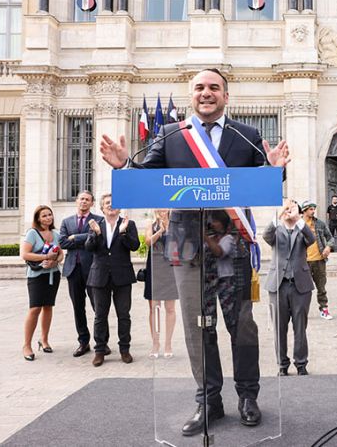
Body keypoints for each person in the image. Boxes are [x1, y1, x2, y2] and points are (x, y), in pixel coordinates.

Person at [99, 68, 290, 434]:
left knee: (242, 327)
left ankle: (248, 396)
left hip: (232, 249)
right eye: (200, 87)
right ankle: (209, 401)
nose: (207, 93)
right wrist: (125, 165)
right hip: (186, 250)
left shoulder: (245, 135)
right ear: (191, 95)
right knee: (196, 329)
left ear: (226, 96)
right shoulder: (171, 135)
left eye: (214, 88)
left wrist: (276, 171)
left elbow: (263, 184)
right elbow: (146, 180)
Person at [85, 193, 140, 367]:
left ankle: (125, 349)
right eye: (107, 203)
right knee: (100, 316)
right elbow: (89, 247)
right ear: (102, 208)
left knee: (124, 315)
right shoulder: (95, 224)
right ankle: (100, 350)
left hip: (122, 276)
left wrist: (123, 233)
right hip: (100, 276)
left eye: (114, 203)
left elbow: (135, 246)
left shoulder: (128, 224)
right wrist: (96, 234)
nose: (111, 205)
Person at [262, 199, 316, 376]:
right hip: (278, 285)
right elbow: (266, 236)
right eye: (286, 207)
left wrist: (298, 219)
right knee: (279, 327)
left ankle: (301, 363)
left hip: (300, 285)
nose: (289, 210)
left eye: (292, 207)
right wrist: (279, 215)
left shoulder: (302, 230)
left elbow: (311, 239)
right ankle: (282, 365)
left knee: (300, 326)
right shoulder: (276, 229)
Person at [59, 190, 103, 357]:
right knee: (78, 308)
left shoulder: (98, 220)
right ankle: (83, 342)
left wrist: (74, 237)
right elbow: (62, 241)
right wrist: (84, 239)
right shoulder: (66, 221)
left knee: (98, 307)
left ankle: (101, 342)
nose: (84, 202)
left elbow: (97, 238)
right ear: (76, 201)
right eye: (81, 199)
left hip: (92, 268)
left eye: (87, 200)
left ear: (92, 203)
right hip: (73, 269)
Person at [20, 205, 64, 361]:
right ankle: (27, 345)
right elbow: (24, 254)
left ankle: (44, 340)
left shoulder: (56, 234)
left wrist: (54, 261)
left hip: (53, 275)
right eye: (44, 215)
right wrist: (45, 258)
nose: (48, 218)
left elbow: (60, 255)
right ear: (38, 218)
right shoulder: (32, 233)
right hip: (36, 276)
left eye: (50, 215)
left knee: (48, 307)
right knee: (35, 308)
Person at [143, 209, 178, 359]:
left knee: (170, 308)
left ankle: (168, 344)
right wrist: (160, 231)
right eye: (159, 206)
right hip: (154, 268)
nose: (162, 209)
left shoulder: (177, 224)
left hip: (171, 268)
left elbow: (180, 243)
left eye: (165, 206)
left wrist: (169, 228)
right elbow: (148, 242)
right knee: (154, 307)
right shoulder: (150, 224)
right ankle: (155, 343)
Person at [301, 200, 335, 320]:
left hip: (319, 260)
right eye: (311, 209)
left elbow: (330, 237)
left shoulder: (319, 224)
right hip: (303, 262)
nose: (313, 211)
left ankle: (324, 309)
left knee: (321, 288)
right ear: (304, 210)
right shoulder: (298, 224)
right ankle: (301, 311)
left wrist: (328, 247)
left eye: (314, 209)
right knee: (303, 289)